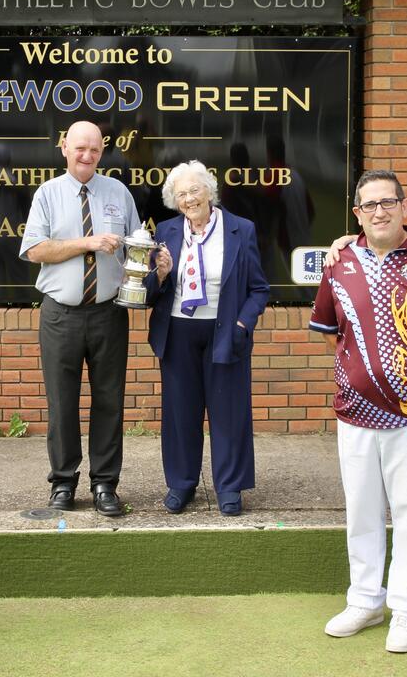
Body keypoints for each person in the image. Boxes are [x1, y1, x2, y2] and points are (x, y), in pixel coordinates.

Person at [309, 170, 407, 653]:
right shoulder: (340, 260)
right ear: (356, 212)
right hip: (353, 414)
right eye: (369, 204)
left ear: (404, 206)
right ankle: (365, 600)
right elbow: (334, 333)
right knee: (362, 510)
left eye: (388, 202)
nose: (379, 211)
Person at [19, 121, 140, 516]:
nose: (86, 155)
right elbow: (35, 249)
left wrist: (153, 263)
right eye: (79, 148)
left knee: (109, 401)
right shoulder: (48, 194)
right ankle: (63, 483)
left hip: (109, 313)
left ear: (102, 152)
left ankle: (105, 483)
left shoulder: (117, 192)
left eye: (94, 149)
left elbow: (137, 244)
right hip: (61, 316)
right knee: (62, 402)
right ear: (64, 148)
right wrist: (86, 243)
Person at [145, 161, 270, 517]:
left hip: (225, 330)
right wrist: (162, 274)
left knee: (228, 412)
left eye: (194, 190)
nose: (189, 199)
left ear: (209, 191)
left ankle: (229, 487)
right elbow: (151, 293)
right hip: (178, 331)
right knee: (180, 412)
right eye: (181, 194)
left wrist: (243, 325)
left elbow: (259, 288)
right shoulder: (166, 231)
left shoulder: (240, 230)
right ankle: (181, 484)